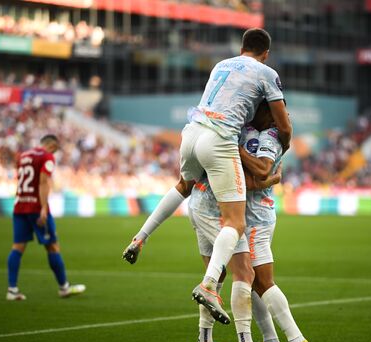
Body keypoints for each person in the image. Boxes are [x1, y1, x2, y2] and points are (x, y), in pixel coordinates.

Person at [123, 28, 292, 326]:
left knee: (183, 185)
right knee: (235, 223)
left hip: (192, 131)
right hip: (221, 139)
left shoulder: (220, 65)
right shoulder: (266, 71)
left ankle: (140, 236)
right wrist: (284, 144)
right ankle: (209, 285)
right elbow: (283, 123)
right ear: (265, 53)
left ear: (242, 47)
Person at [189, 102, 311, 342]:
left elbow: (261, 171)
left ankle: (296, 339)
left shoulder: (269, 136)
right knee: (251, 280)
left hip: (256, 217)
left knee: (262, 281)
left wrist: (233, 150)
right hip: (247, 214)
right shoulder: (250, 131)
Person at [6, 134, 85, 301]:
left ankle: (12, 290)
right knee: (52, 247)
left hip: (20, 205)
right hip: (36, 207)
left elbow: (20, 179)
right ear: (52, 145)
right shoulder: (46, 156)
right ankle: (64, 287)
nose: (55, 153)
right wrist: (43, 208)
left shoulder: (24, 155)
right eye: (55, 149)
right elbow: (43, 181)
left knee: (17, 247)